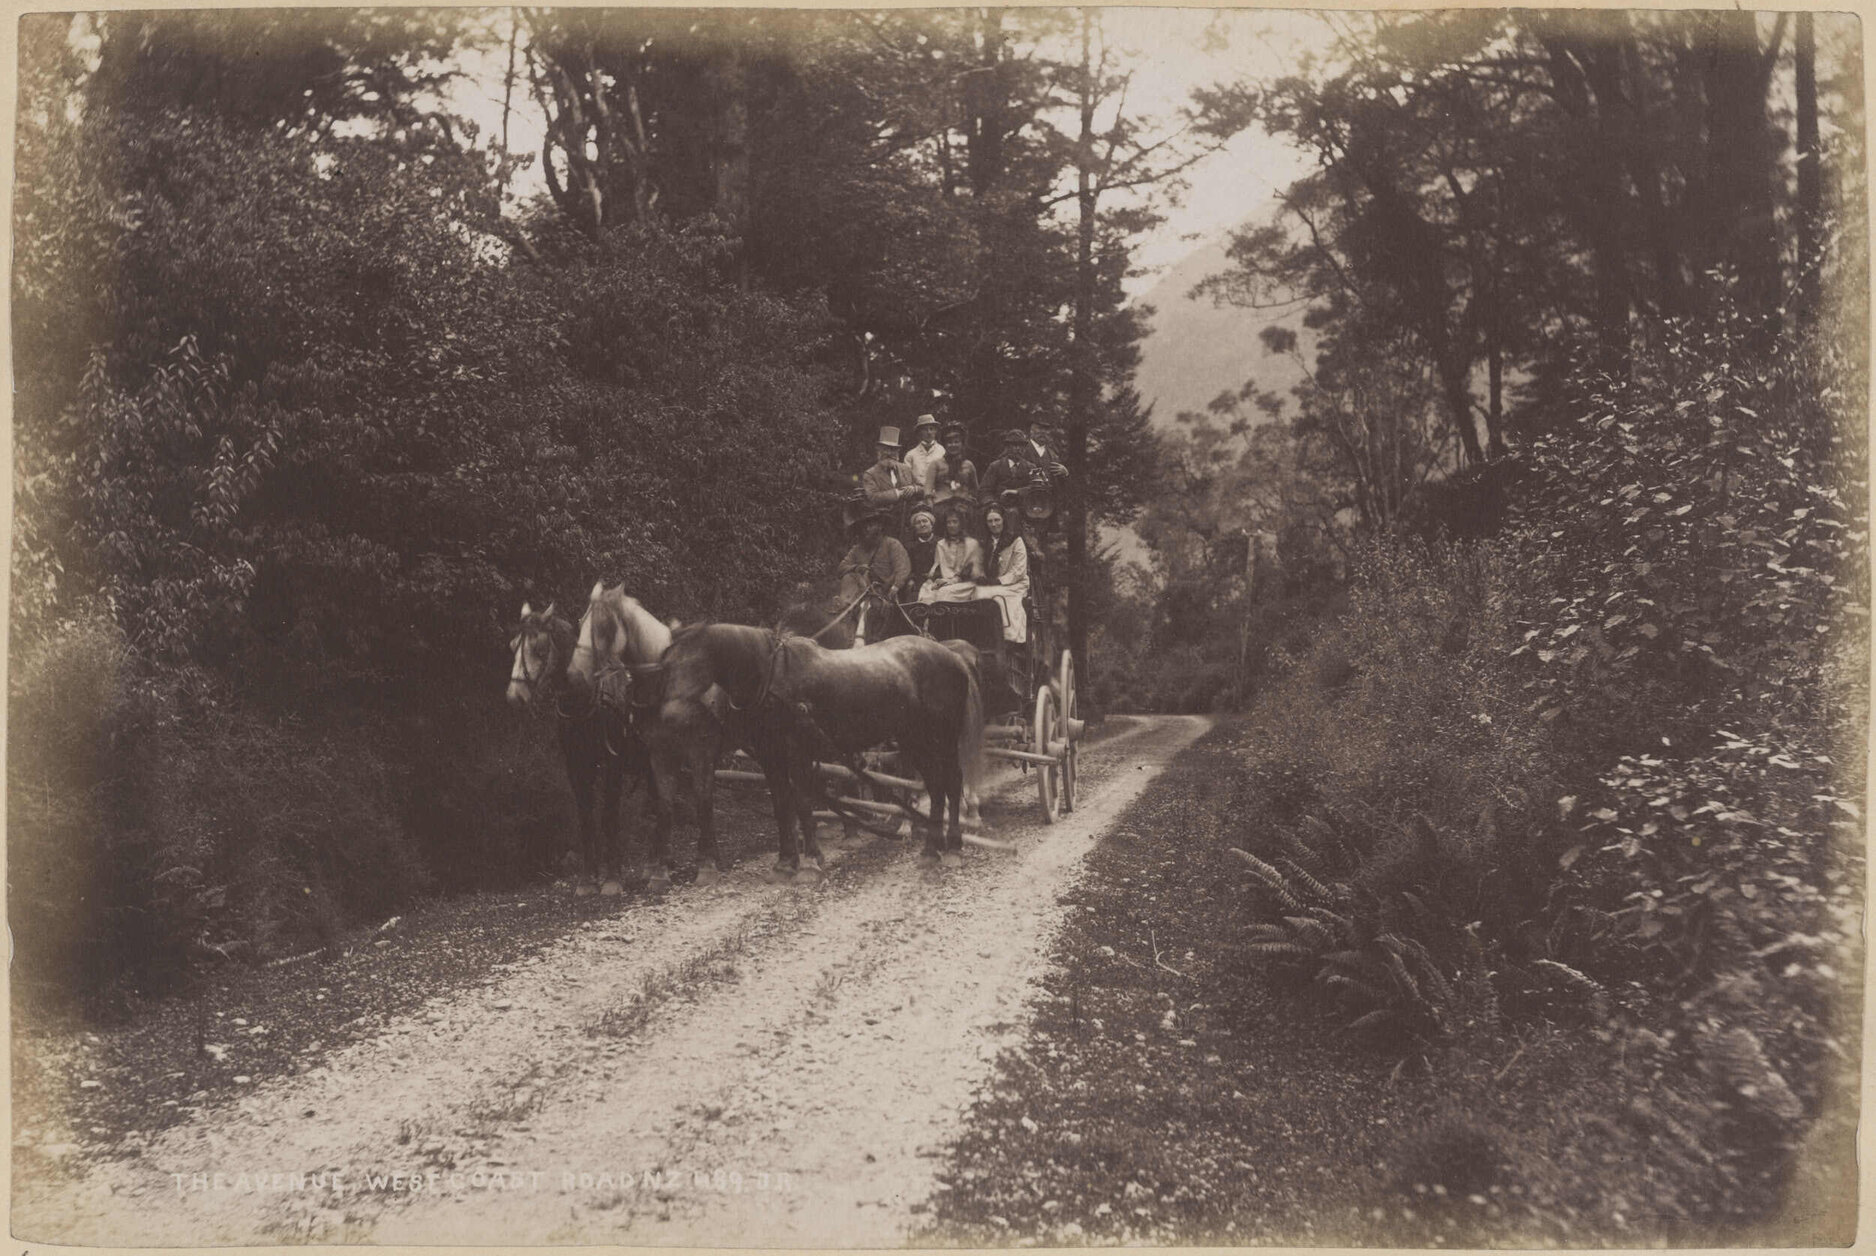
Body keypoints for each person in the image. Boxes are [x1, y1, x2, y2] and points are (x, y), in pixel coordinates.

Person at [974, 503, 1030, 643]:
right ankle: (981, 635)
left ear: (1003, 520)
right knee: (973, 593)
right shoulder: (984, 542)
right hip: (991, 582)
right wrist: (981, 576)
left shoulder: (1016, 541)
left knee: (995, 597)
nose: (994, 524)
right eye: (990, 521)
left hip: (1014, 583)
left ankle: (1007, 638)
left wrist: (1000, 581)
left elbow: (1019, 570)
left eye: (997, 520)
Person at [837, 507, 911, 608]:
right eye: (863, 526)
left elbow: (902, 568)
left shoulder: (892, 544)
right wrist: (856, 568)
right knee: (849, 577)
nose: (866, 529)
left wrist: (896, 586)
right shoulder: (857, 549)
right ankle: (845, 606)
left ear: (880, 526)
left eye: (870, 525)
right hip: (862, 592)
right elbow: (841, 568)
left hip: (887, 591)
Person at [860, 425, 927, 532]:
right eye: (886, 450)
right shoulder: (870, 474)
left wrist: (914, 488)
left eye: (894, 450)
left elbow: (923, 488)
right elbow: (873, 497)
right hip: (884, 524)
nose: (890, 454)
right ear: (879, 451)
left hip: (908, 523)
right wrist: (898, 493)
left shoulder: (905, 469)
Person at [918, 507, 986, 604]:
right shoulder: (941, 544)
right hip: (946, 580)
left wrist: (951, 581)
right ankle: (929, 619)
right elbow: (938, 566)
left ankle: (945, 619)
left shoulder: (971, 543)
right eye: (948, 522)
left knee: (944, 593)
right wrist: (937, 580)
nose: (951, 525)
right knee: (927, 591)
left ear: (961, 524)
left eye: (955, 522)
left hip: (966, 582)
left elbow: (972, 571)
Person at [978, 428, 1037, 508]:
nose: (1018, 449)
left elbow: (1037, 488)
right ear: (1007, 447)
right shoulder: (995, 466)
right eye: (1015, 445)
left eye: (1022, 445)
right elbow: (984, 491)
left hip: (1025, 509)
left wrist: (1017, 492)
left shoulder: (1031, 467)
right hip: (1000, 508)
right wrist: (992, 503)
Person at [934, 423, 980, 508]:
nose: (953, 445)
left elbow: (975, 489)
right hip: (941, 506)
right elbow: (928, 491)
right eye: (949, 442)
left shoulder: (968, 465)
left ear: (962, 444)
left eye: (956, 442)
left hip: (964, 506)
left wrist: (970, 499)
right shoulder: (936, 464)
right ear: (945, 445)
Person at [903, 415, 946, 501]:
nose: (929, 432)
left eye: (931, 429)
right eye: (925, 429)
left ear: (935, 431)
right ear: (919, 432)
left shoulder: (943, 452)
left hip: (939, 497)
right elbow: (905, 480)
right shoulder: (911, 455)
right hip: (916, 498)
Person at [903, 504, 939, 601]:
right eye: (918, 523)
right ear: (914, 527)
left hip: (939, 582)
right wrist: (910, 579)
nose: (922, 525)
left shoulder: (941, 543)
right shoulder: (910, 547)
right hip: (918, 583)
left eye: (925, 521)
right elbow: (907, 567)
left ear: (931, 524)